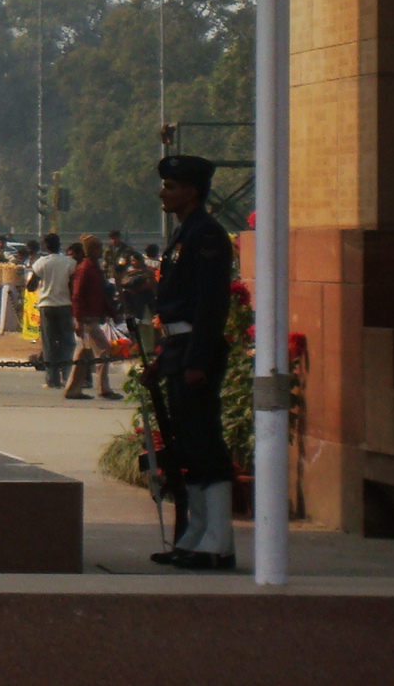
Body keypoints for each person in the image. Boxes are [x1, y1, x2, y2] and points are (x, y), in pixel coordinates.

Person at [143, 154, 238, 570]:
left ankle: (218, 542)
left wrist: (197, 359)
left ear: (192, 191)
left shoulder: (206, 234)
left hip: (196, 353)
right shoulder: (186, 233)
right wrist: (162, 358)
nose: (163, 193)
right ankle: (197, 536)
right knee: (189, 448)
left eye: (171, 186)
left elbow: (210, 305)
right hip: (180, 350)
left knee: (204, 445)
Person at [65, 236, 120, 400]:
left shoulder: (93, 268)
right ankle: (104, 388)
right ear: (91, 250)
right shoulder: (85, 268)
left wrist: (113, 313)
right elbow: (77, 296)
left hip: (90, 317)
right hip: (87, 319)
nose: (101, 251)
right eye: (98, 248)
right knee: (103, 349)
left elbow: (100, 295)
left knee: (83, 353)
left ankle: (73, 389)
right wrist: (78, 320)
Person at [27, 232, 76, 390]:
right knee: (67, 342)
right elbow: (73, 285)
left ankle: (52, 379)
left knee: (49, 343)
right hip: (65, 305)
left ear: (46, 246)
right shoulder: (69, 262)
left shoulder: (41, 263)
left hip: (46, 305)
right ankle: (67, 376)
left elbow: (31, 286)